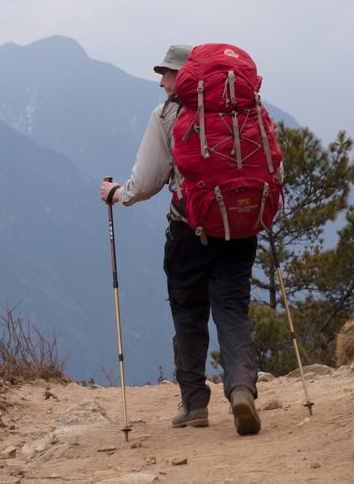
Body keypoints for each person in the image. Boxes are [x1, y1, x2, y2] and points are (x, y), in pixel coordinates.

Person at [99, 44, 262, 435]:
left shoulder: (168, 114)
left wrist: (116, 194)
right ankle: (241, 390)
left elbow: (148, 180)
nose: (161, 81)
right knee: (232, 312)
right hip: (239, 228)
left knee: (188, 313)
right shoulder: (245, 111)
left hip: (190, 230)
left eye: (167, 73)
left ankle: (194, 404)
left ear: (185, 75)